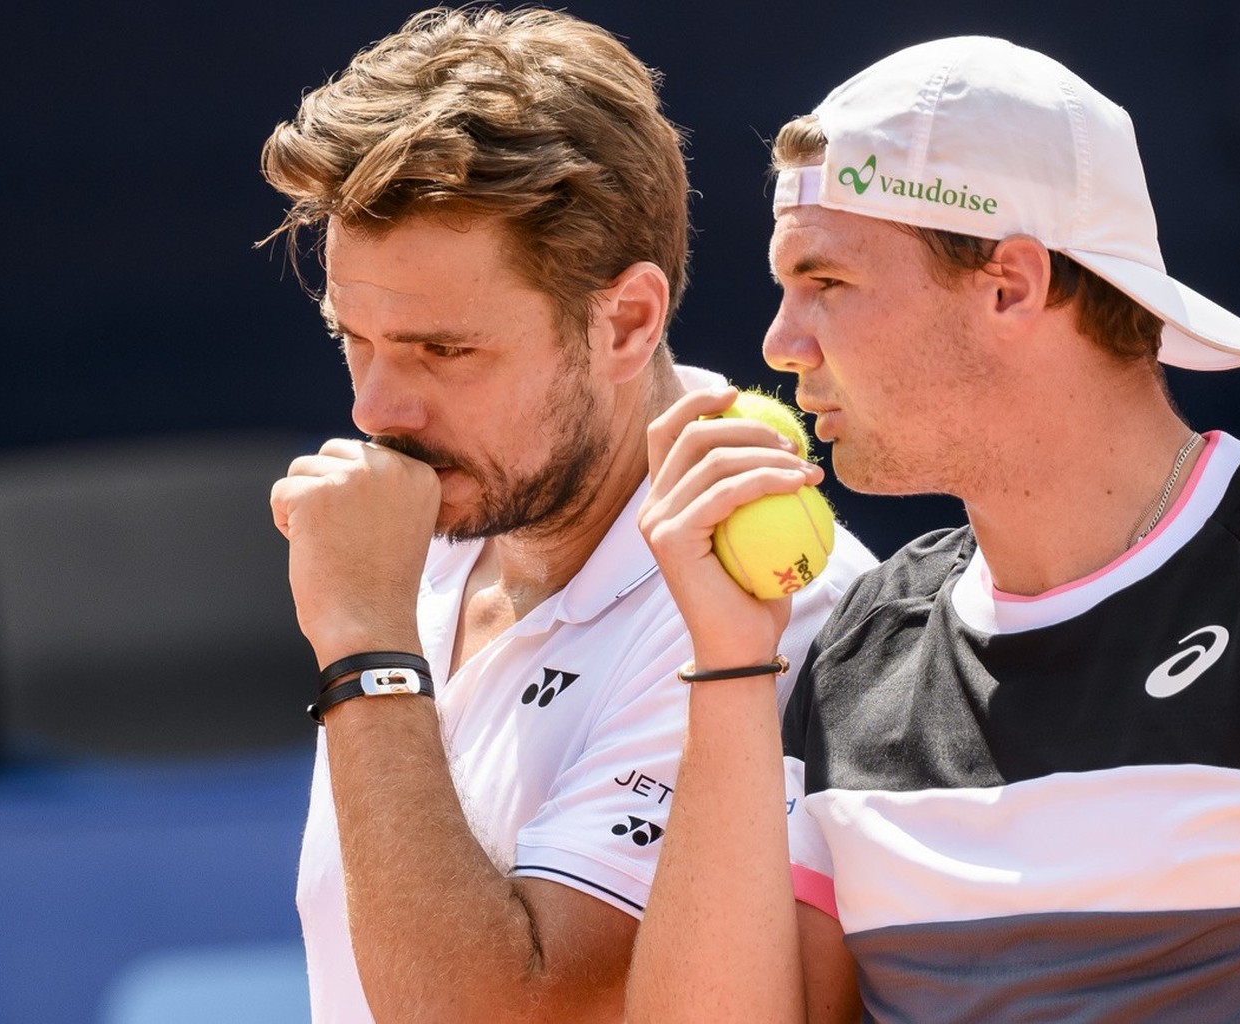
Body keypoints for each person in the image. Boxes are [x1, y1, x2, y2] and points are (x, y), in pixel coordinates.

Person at [631, 35, 1240, 1022]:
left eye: (826, 281)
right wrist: (725, 664)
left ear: (1010, 284)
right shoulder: (856, 647)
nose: (778, 342)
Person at [259, 7, 873, 1021]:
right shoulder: (427, 522)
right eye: (354, 339)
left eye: (441, 351)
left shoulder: (782, 609)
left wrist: (366, 647)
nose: (376, 411)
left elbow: (512, 1010)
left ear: (626, 320)